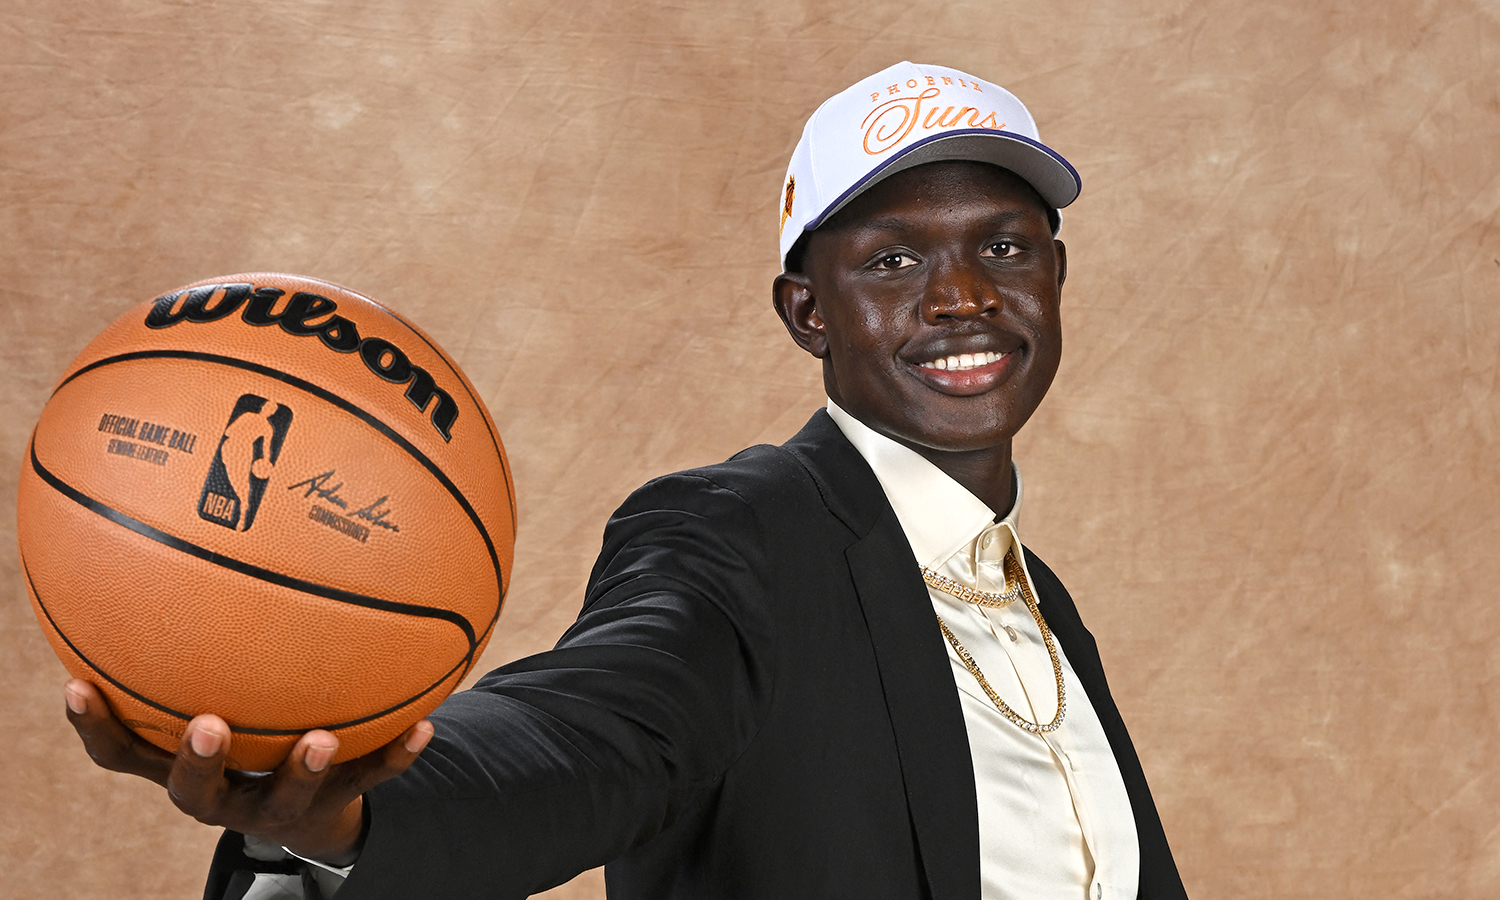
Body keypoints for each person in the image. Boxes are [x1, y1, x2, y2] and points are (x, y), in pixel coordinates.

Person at [66, 61, 1189, 900]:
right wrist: (351, 804)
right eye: (894, 261)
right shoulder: (742, 537)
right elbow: (599, 727)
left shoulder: (1040, 602)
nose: (962, 299)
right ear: (810, 313)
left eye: (1004, 246)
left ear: (1054, 275)